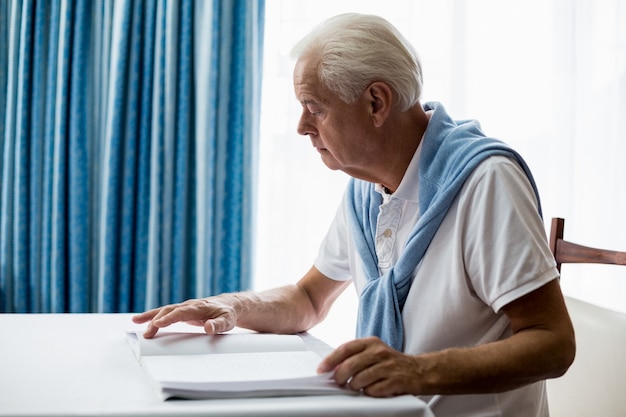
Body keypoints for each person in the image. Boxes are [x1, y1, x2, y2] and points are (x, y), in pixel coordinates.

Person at [132, 13, 575, 416]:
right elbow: (308, 299)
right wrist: (233, 305)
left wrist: (416, 372)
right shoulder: (366, 188)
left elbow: (553, 344)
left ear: (376, 103)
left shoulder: (486, 181)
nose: (303, 127)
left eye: (315, 107)